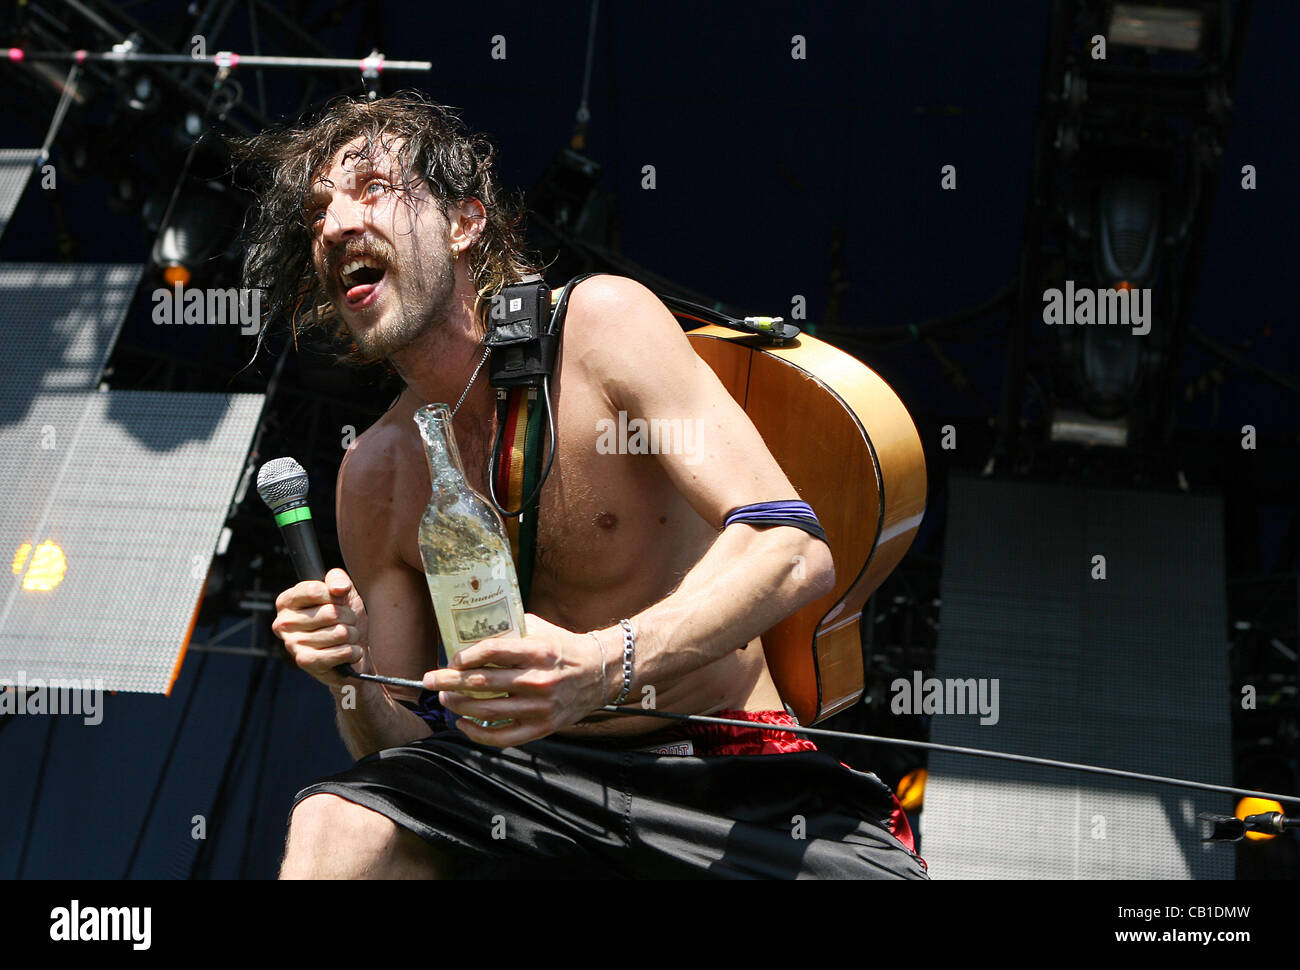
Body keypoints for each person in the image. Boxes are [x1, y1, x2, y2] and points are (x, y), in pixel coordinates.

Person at [237, 92, 928, 879]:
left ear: (464, 223)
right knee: (341, 819)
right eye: (320, 211)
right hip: (527, 788)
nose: (332, 226)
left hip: (725, 770)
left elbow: (792, 548)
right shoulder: (375, 475)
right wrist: (349, 676)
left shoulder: (600, 329)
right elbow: (403, 750)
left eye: (370, 189)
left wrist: (603, 665)